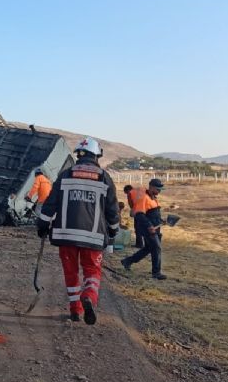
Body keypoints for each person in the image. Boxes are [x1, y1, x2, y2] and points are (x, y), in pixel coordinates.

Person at [37, 137, 120, 324]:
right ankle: (89, 295)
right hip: (93, 237)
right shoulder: (103, 177)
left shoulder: (66, 174)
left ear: (79, 155)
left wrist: (42, 225)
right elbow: (112, 210)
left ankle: (75, 310)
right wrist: (113, 230)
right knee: (92, 271)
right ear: (96, 155)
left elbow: (51, 203)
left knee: (71, 272)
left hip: (65, 236)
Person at [121, 178, 167, 280]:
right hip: (148, 229)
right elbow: (140, 215)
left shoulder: (153, 198)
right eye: (157, 189)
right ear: (151, 187)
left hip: (155, 227)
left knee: (148, 249)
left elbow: (153, 213)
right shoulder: (144, 198)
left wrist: (161, 220)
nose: (159, 191)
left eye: (160, 189)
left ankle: (127, 261)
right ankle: (156, 272)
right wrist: (149, 226)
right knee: (156, 248)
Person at [123, 184, 144, 248]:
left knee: (137, 228)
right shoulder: (139, 191)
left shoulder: (130, 193)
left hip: (138, 212)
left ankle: (139, 244)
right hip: (145, 211)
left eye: (126, 193)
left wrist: (132, 211)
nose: (127, 194)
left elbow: (131, 205)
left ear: (128, 190)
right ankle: (144, 243)